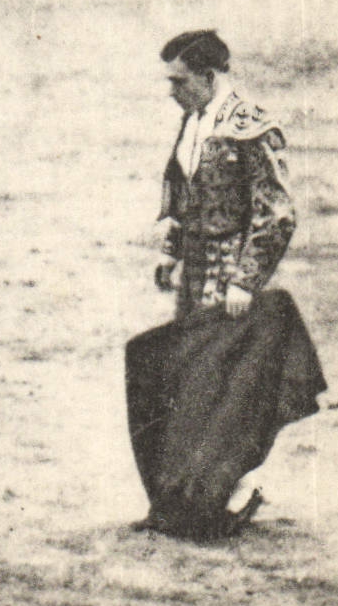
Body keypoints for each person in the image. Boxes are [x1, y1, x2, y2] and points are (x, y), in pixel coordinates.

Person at [126, 30, 325, 539]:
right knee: (185, 385)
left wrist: (245, 281)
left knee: (219, 393)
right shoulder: (191, 123)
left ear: (208, 77)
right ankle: (183, 500)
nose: (171, 90)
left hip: (228, 286)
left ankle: (215, 497)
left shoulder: (252, 127)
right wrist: (170, 254)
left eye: (179, 80)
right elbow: (182, 198)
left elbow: (276, 214)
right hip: (194, 278)